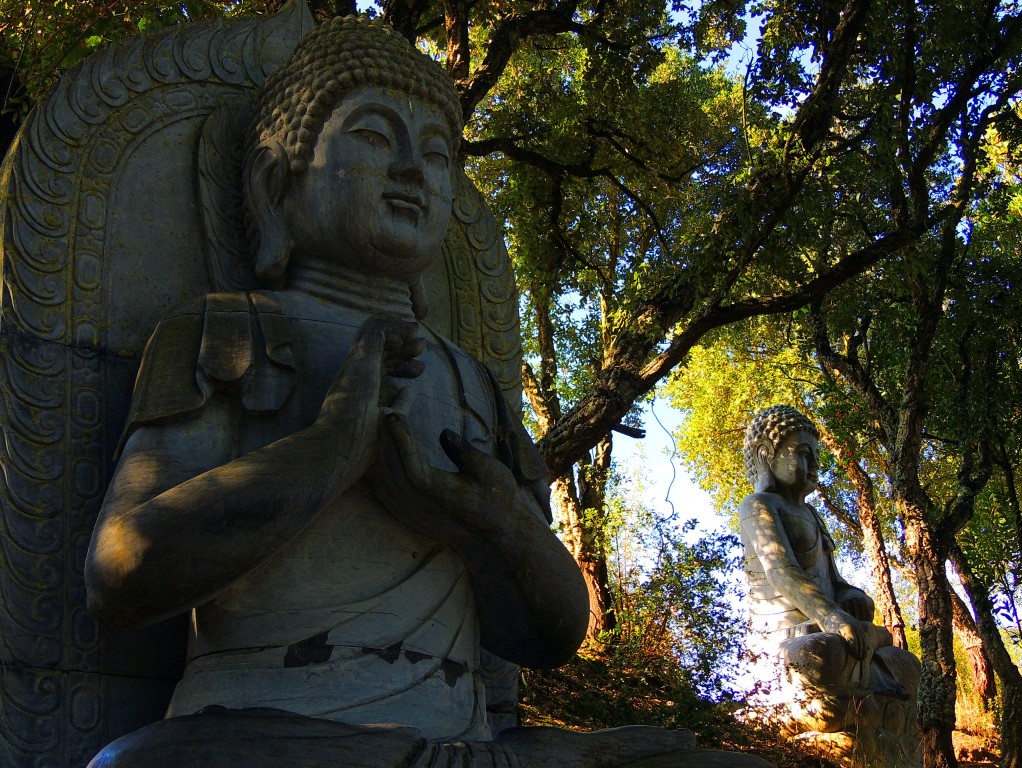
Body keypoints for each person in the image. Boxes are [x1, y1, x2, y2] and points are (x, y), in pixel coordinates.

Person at [84, 18, 721, 768]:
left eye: (440, 154)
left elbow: (546, 639)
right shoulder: (227, 332)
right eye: (377, 138)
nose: (416, 170)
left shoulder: (474, 384)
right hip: (271, 735)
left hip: (469, 743)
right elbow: (122, 571)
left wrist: (491, 523)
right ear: (275, 182)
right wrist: (328, 451)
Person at [739, 405, 919, 737]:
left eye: (816, 455)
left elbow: (834, 580)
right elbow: (782, 571)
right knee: (820, 653)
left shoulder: (811, 514)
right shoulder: (758, 506)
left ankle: (859, 700)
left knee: (905, 663)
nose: (815, 465)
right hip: (785, 637)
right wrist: (833, 617)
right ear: (766, 454)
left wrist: (851, 597)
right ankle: (855, 705)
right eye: (803, 453)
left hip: (830, 627)